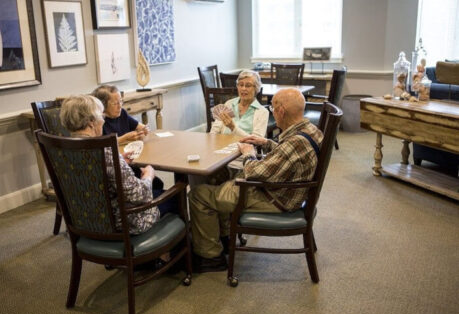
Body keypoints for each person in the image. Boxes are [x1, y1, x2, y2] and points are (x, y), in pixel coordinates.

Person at [188, 88, 324, 272]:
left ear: (281, 111)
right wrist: (266, 143)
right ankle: (226, 237)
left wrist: (248, 153)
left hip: (275, 198)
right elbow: (290, 156)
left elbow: (254, 172)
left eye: (273, 108)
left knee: (199, 194)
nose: (273, 113)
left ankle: (210, 256)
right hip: (288, 191)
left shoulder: (294, 142)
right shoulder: (310, 130)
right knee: (218, 180)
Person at [60, 94, 167, 235]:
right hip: (120, 224)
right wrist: (148, 175)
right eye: (101, 116)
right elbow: (142, 195)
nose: (103, 121)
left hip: (81, 223)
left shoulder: (60, 150)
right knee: (173, 196)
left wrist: (119, 160)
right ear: (91, 122)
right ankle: (163, 255)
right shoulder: (105, 152)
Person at [92, 84, 164, 190]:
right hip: (119, 168)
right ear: (103, 106)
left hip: (128, 161)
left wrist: (144, 130)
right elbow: (104, 143)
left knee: (158, 183)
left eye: (121, 101)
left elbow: (141, 127)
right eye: (115, 103)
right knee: (154, 183)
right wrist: (125, 137)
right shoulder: (100, 122)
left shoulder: (122, 114)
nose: (120, 106)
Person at [210, 70, 269, 137]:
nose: (243, 88)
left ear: (256, 88)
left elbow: (256, 140)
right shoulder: (229, 104)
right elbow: (215, 129)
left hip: (246, 146)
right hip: (223, 145)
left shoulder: (262, 112)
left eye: (248, 86)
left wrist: (233, 128)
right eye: (241, 85)